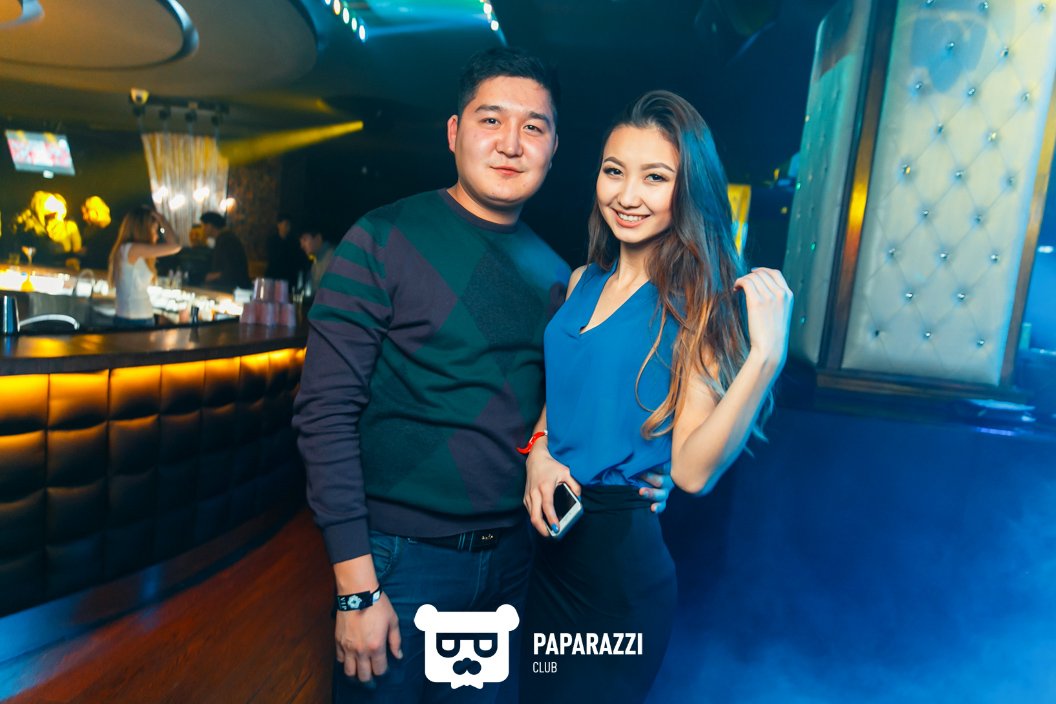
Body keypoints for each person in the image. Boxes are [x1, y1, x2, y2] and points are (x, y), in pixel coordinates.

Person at [292, 48, 670, 703]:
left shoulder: (562, 278)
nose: (511, 143)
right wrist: (356, 589)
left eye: (533, 127)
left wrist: (643, 467)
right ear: (454, 131)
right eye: (491, 119)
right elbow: (323, 414)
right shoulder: (381, 238)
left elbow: (562, 410)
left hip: (516, 567)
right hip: (399, 563)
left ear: (554, 149)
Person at [519, 90, 793, 702]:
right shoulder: (582, 281)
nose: (627, 194)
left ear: (687, 190)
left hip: (616, 571)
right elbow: (566, 391)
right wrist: (538, 448)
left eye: (655, 177)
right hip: (545, 549)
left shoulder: (698, 306)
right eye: (614, 171)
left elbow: (691, 474)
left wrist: (766, 358)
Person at [107, 205, 181, 328]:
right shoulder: (130, 249)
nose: (157, 236)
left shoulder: (128, 250)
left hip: (134, 317)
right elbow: (175, 246)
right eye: (154, 230)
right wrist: (162, 219)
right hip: (134, 320)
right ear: (143, 230)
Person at [201, 211, 251, 290]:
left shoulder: (227, 240)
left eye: (204, 225)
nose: (203, 229)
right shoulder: (223, 238)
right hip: (230, 287)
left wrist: (211, 276)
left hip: (236, 289)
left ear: (210, 225)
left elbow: (232, 269)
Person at [264, 212, 309, 290]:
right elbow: (274, 259)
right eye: (286, 224)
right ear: (279, 225)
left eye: (289, 225)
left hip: (289, 278)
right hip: (274, 276)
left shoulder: (294, 242)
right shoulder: (272, 241)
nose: (288, 227)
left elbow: (297, 259)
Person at [298, 225, 334, 294]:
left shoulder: (331, 257)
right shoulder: (316, 260)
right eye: (300, 241)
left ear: (318, 238)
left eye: (305, 239)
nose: (302, 246)